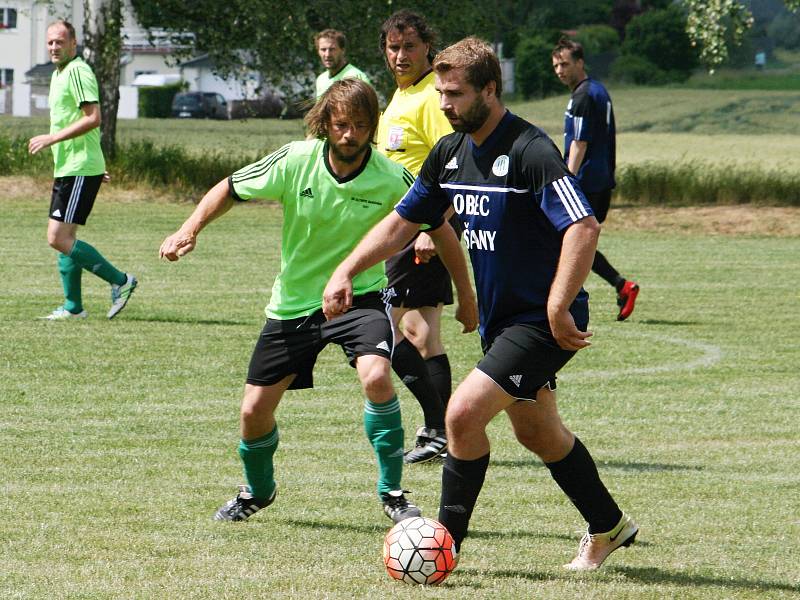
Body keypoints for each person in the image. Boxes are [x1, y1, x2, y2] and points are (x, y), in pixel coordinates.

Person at [323, 37, 638, 571]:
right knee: (537, 431)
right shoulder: (450, 152)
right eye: (441, 93)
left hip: (541, 321)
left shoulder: (530, 151)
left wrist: (560, 305)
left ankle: (441, 547)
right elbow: (404, 220)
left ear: (490, 90)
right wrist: (348, 268)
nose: (444, 104)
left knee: (462, 415)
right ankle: (609, 526)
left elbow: (584, 225)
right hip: (501, 320)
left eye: (455, 94)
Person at [159, 79, 476, 524]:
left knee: (377, 376)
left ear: (374, 128)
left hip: (361, 299)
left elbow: (442, 225)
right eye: (342, 125)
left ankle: (392, 492)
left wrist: (466, 296)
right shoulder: (295, 160)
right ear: (325, 123)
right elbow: (229, 187)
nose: (350, 135)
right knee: (253, 411)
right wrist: (189, 228)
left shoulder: (391, 175)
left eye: (361, 126)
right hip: (294, 303)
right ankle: (258, 490)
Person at [376, 10, 458, 464]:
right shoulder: (402, 95)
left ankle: (435, 426)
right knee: (423, 333)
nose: (400, 55)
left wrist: (436, 226)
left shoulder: (430, 97)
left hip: (418, 232)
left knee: (385, 330)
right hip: (405, 229)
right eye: (393, 47)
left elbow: (455, 164)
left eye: (409, 46)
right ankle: (441, 431)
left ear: (428, 47)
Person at [28, 20, 137, 321]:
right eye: (50, 42)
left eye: (59, 42)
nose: (53, 47)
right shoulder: (59, 74)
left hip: (78, 168)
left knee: (58, 237)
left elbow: (93, 118)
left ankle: (121, 281)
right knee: (65, 237)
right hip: (72, 167)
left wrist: (54, 140)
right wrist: (93, 163)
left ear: (73, 44)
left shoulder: (77, 71)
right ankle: (73, 307)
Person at [552, 37, 639, 321]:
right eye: (555, 65)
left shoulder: (584, 95)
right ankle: (621, 285)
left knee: (565, 241)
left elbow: (579, 143)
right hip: (600, 181)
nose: (560, 70)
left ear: (580, 62)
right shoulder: (596, 90)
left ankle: (567, 301)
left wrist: (566, 180)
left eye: (565, 63)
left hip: (586, 182)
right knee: (576, 241)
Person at [314, 29, 371, 99]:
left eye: (332, 49)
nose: (327, 54)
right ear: (318, 51)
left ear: (343, 50)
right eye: (323, 49)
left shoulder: (357, 77)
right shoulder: (321, 80)